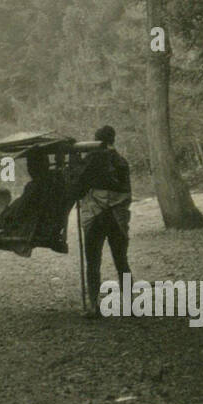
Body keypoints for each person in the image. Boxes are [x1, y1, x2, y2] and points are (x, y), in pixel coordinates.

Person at [75, 124, 131, 316]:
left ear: (96, 140)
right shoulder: (121, 161)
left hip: (95, 215)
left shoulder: (90, 159)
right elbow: (126, 190)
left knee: (93, 261)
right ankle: (131, 304)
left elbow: (79, 186)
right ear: (113, 139)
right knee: (121, 260)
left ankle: (94, 305)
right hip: (117, 216)